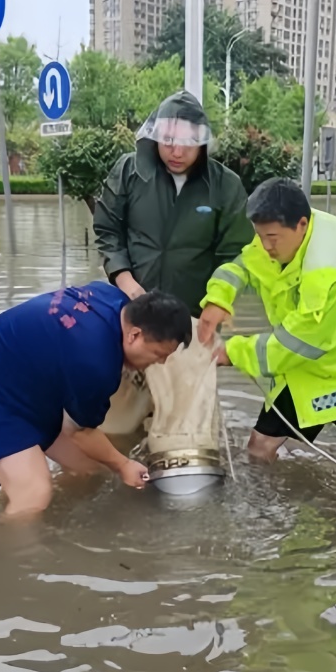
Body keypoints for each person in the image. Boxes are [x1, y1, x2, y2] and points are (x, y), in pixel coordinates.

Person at [197, 178, 336, 493]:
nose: (266, 246)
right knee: (260, 446)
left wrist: (231, 353)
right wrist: (218, 299)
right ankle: (266, 503)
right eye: (260, 236)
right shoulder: (277, 239)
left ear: (302, 225)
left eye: (272, 237)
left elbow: (298, 342)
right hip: (306, 374)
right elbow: (242, 266)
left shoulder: (329, 273)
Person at [0, 283, 192, 518]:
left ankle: (45, 515)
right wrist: (124, 464)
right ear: (134, 334)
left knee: (89, 468)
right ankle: (6, 544)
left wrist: (115, 463)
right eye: (158, 354)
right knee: (33, 494)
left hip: (25, 381)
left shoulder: (114, 299)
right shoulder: (97, 362)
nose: (160, 363)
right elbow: (80, 432)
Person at [92, 90, 253, 436]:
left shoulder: (225, 186)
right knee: (116, 419)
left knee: (185, 422)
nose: (176, 152)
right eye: (168, 142)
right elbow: (107, 230)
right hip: (131, 312)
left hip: (192, 319)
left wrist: (219, 300)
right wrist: (127, 283)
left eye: (186, 144)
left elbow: (239, 253)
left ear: (202, 143)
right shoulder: (129, 172)